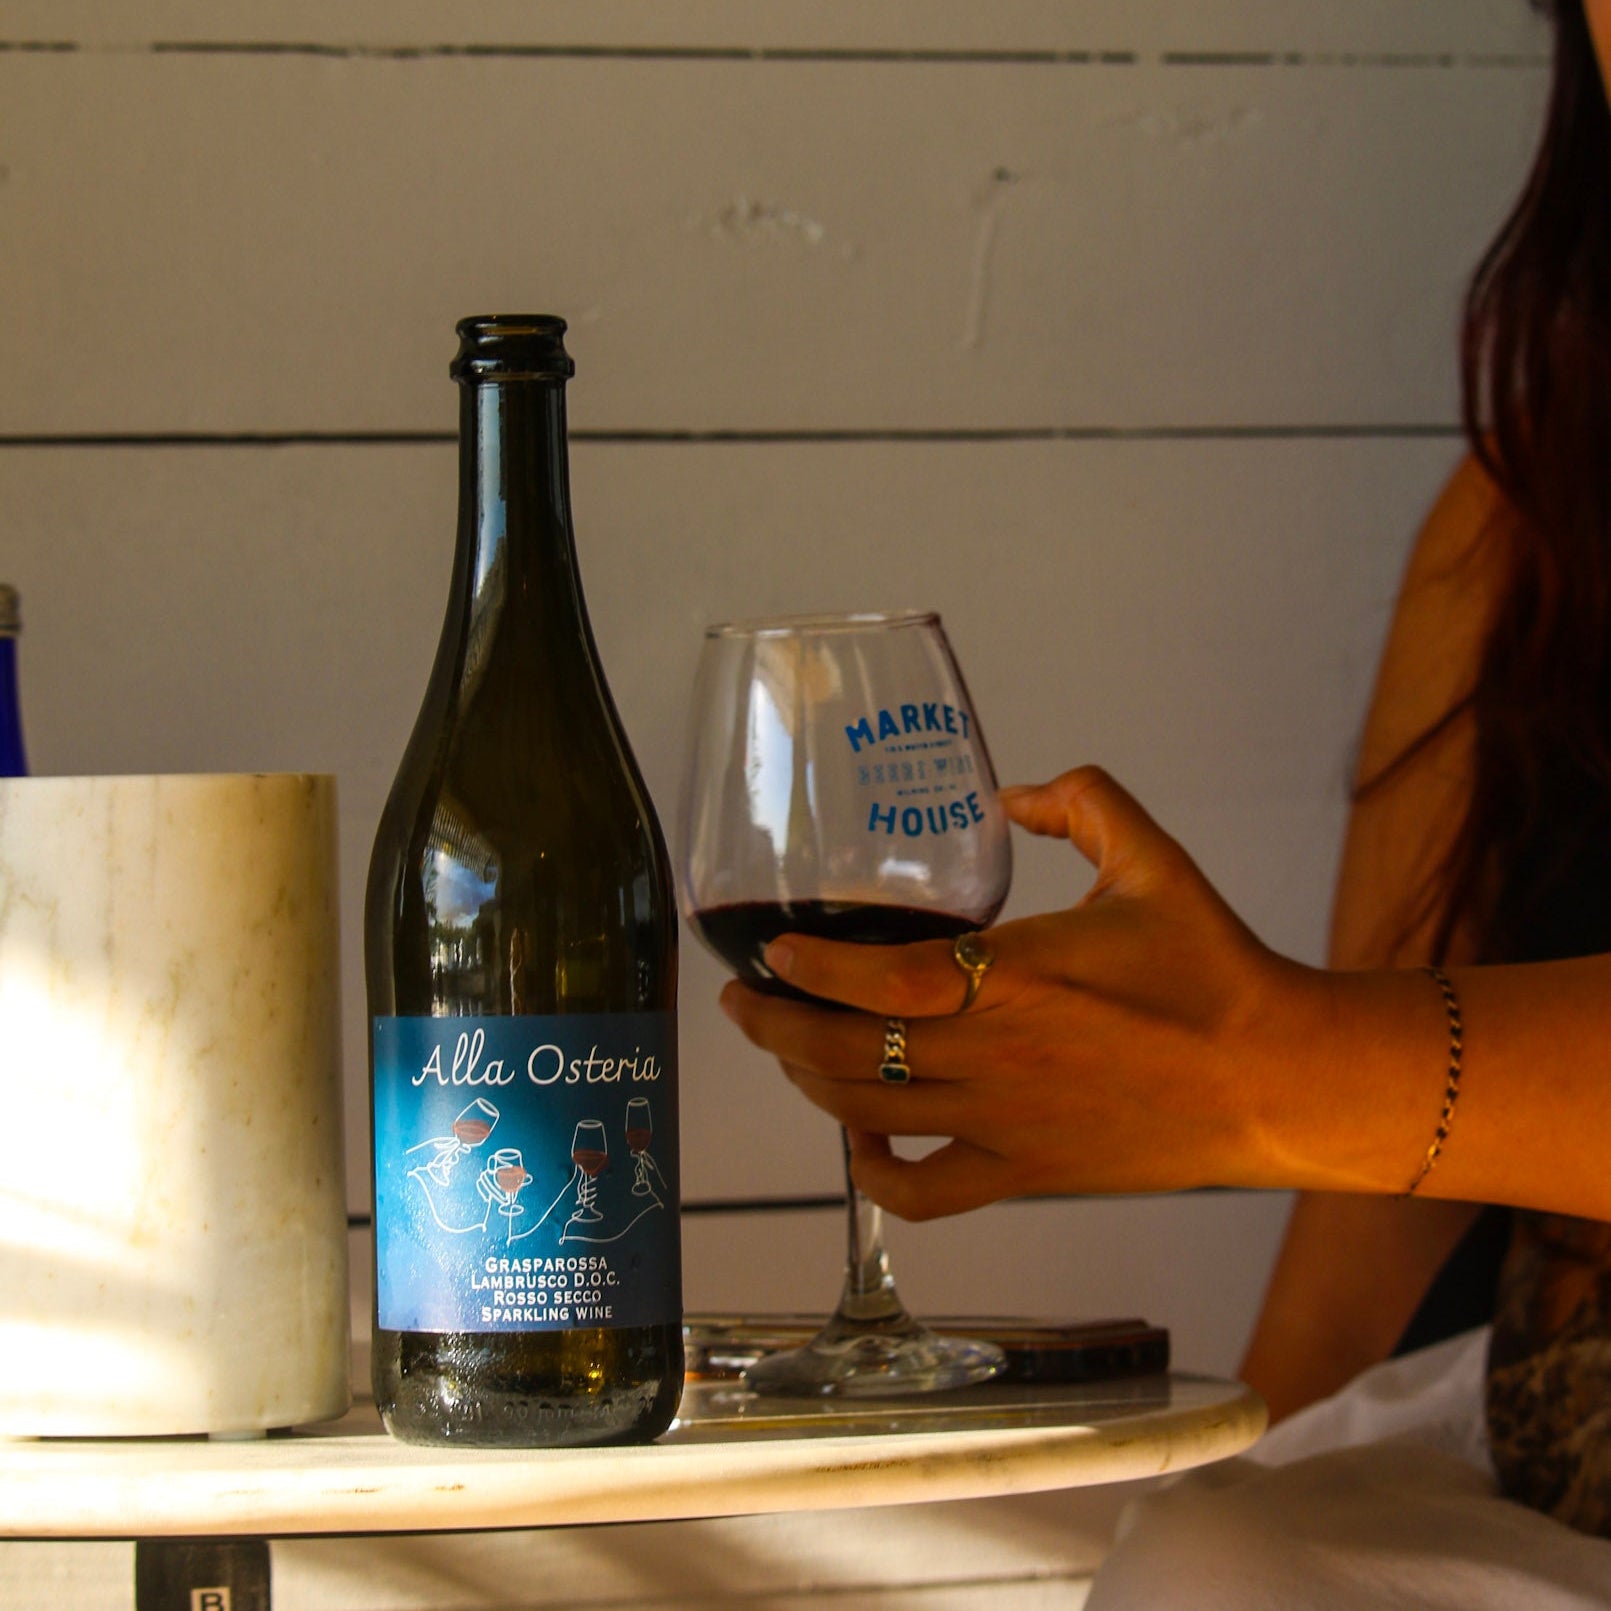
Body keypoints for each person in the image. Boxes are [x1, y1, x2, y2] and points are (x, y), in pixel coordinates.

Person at [719, 0, 1611, 1597]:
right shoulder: (1526, 526)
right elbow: (1369, 1233)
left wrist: (1271, 1067)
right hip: (1537, 1476)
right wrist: (1226, 1504)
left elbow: (1339, 1079)